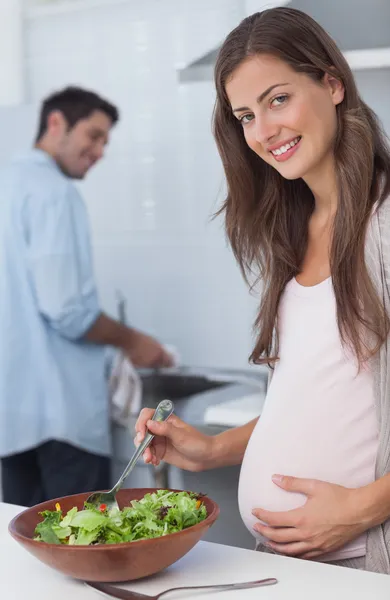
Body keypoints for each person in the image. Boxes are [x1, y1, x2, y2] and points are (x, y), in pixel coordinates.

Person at [135, 7, 390, 574]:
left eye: (278, 99)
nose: (264, 131)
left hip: (362, 566)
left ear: (332, 83)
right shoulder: (293, 234)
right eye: (245, 115)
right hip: (290, 565)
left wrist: (360, 508)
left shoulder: (385, 225)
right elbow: (314, 402)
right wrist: (211, 449)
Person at [0, 86, 173, 507]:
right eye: (93, 136)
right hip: (62, 417)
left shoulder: (7, 181)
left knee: (28, 547)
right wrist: (136, 343)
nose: (99, 151)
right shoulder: (56, 193)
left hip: (12, 416)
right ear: (56, 122)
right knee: (80, 547)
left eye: (105, 142)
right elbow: (68, 312)